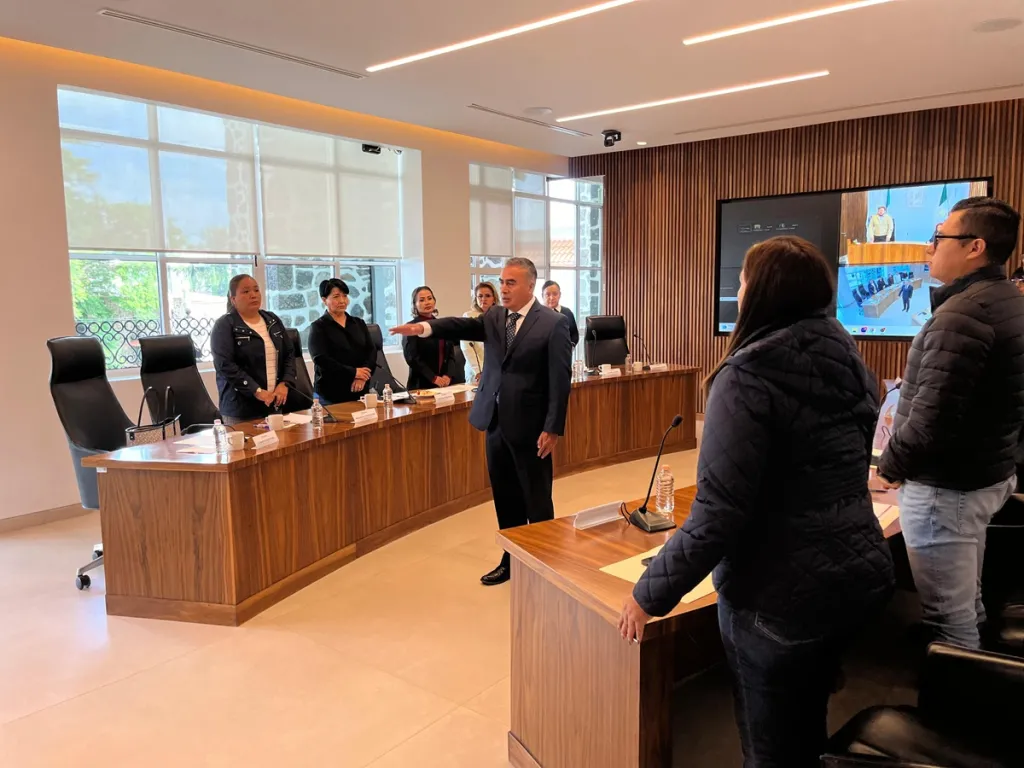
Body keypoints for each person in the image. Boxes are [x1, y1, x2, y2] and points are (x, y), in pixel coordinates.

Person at [618, 236, 894, 768]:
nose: (739, 291)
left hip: (780, 595)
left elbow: (718, 513)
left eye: (743, 281)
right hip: (856, 575)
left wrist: (648, 595)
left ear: (761, 292)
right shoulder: (847, 354)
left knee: (771, 747)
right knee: (806, 710)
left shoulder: (747, 374)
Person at [878, 197, 1024, 649]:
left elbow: (930, 421)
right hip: (984, 473)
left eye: (938, 237)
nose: (929, 247)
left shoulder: (964, 314)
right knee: (964, 595)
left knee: (948, 616)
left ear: (975, 246)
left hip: (947, 487)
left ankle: (960, 686)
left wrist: (888, 469)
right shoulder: (1006, 299)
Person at [390, 257, 572, 586]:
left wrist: (553, 427)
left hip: (531, 426)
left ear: (530, 285)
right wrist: (424, 328)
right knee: (505, 495)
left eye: (511, 282)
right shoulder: (495, 316)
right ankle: (511, 558)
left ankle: (544, 561)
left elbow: (560, 379)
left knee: (536, 497)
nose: (503, 288)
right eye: (501, 282)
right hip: (495, 421)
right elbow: (461, 327)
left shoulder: (552, 323)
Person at [211, 274, 299, 425]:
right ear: (233, 299)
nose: (253, 295)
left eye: (256, 290)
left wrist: (285, 383)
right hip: (241, 409)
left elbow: (289, 354)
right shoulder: (225, 325)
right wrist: (256, 391)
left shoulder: (272, 320)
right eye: (246, 291)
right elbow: (225, 365)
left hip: (273, 404)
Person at [307, 278, 376, 405]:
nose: (342, 301)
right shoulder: (318, 327)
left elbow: (371, 351)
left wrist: (362, 377)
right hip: (331, 392)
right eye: (336, 296)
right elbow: (321, 359)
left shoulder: (358, 323)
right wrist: (354, 373)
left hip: (360, 389)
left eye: (345, 296)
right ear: (324, 300)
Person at [402, 286, 461, 390]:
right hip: (421, 384)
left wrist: (448, 375)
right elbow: (412, 359)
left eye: (430, 298)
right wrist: (433, 378)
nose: (427, 302)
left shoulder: (442, 325)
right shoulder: (411, 328)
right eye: (422, 300)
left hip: (445, 384)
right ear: (415, 305)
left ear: (434, 301)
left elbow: (450, 355)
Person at [462, 281, 497, 383]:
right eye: (480, 296)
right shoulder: (469, 316)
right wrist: (478, 371)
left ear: (494, 299)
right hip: (476, 371)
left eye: (487, 296)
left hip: (495, 369)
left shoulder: (499, 316)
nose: (483, 299)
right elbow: (466, 347)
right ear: (475, 298)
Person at [540, 280, 580, 346]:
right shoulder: (538, 314)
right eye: (548, 295)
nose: (551, 298)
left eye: (555, 294)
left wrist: (570, 347)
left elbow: (574, 335)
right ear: (542, 296)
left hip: (564, 350)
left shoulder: (567, 312)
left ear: (560, 295)